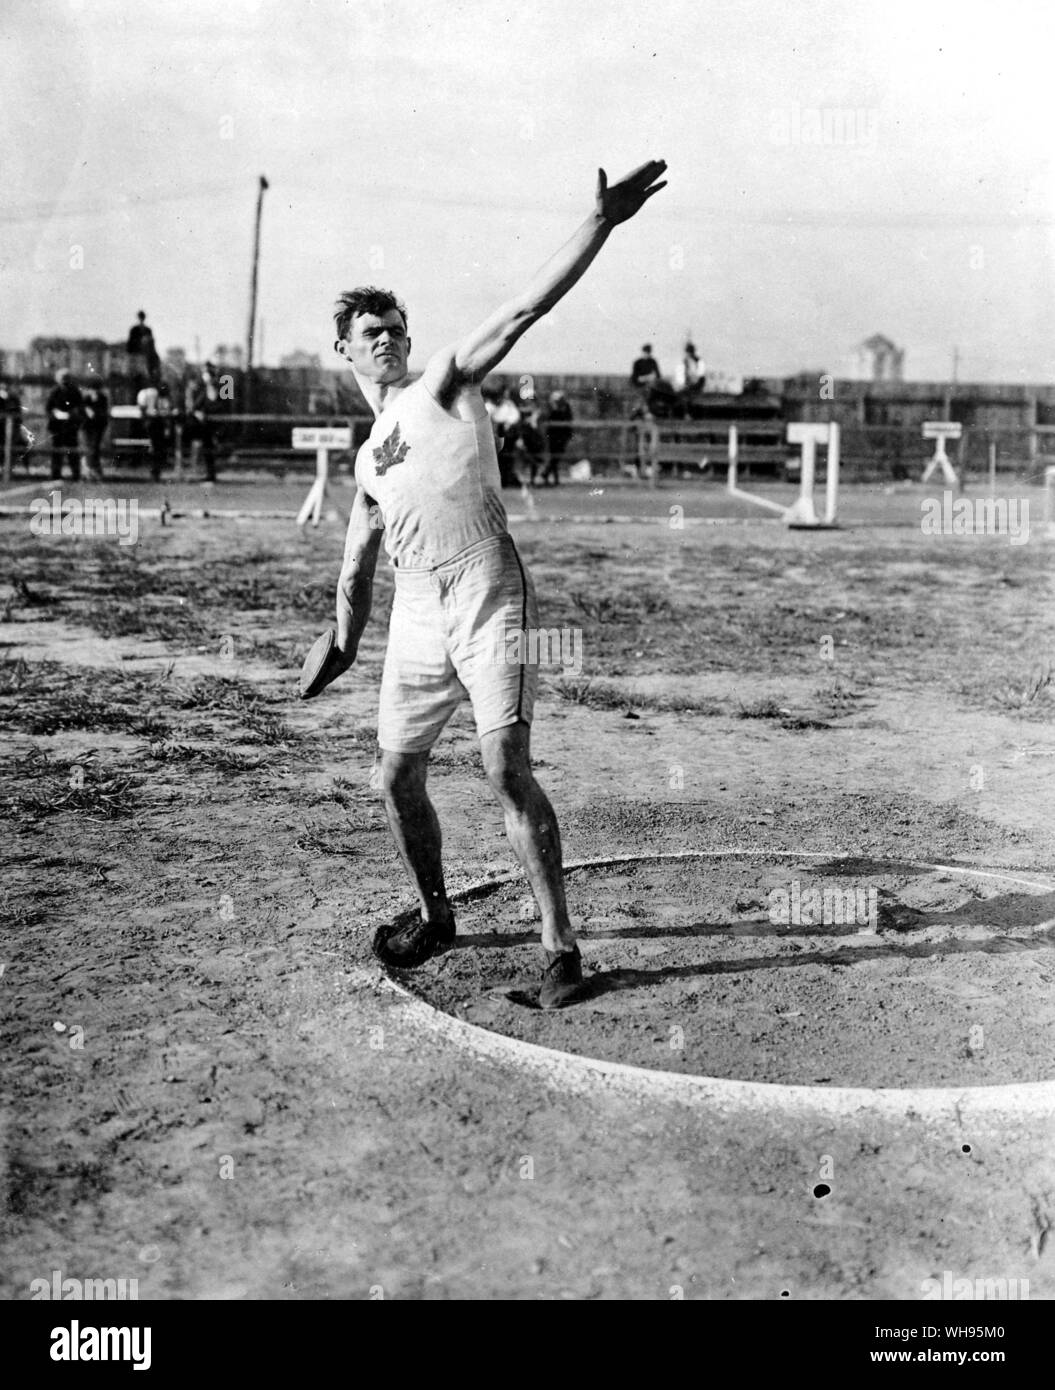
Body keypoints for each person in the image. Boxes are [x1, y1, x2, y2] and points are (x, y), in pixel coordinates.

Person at [327, 159, 667, 1007]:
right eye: (370, 332)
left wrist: (599, 224)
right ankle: (434, 916)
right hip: (415, 605)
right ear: (345, 349)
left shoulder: (444, 381)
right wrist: (340, 641)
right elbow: (358, 555)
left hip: (485, 582)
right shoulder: (365, 458)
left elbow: (523, 308)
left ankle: (560, 952)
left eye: (394, 328)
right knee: (393, 777)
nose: (386, 340)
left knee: (503, 766)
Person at [45, 369, 85, 480]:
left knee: (72, 450)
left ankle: (76, 474)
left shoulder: (75, 391)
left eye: (66, 379)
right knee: (56, 451)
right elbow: (49, 408)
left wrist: (72, 414)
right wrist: (55, 412)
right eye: (62, 379)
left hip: (70, 425)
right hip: (57, 426)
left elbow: (80, 407)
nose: (64, 382)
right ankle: (55, 474)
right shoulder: (54, 391)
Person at [184, 364, 219, 482]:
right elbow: (193, 406)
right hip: (203, 423)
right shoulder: (201, 389)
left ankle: (210, 475)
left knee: (208, 448)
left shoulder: (216, 386)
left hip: (213, 423)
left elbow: (215, 400)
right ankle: (207, 474)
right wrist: (196, 412)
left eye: (206, 373)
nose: (204, 376)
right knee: (204, 448)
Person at [541, 390, 573, 485]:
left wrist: (569, 435)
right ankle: (554, 478)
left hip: (562, 436)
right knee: (554, 457)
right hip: (553, 436)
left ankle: (547, 474)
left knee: (556, 457)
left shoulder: (565, 407)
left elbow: (568, 420)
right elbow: (550, 419)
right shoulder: (552, 409)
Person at [81, 384, 110, 479]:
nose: (95, 391)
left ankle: (93, 469)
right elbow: (85, 410)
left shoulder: (103, 398)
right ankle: (91, 470)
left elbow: (102, 412)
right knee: (89, 447)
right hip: (87, 426)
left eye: (96, 389)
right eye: (92, 389)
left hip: (98, 426)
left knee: (94, 447)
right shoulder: (85, 398)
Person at [127, 311, 160, 386]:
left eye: (142, 318)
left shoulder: (148, 330)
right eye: (140, 317)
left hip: (145, 354)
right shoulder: (134, 330)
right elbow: (130, 343)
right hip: (136, 354)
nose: (141, 319)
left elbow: (151, 343)